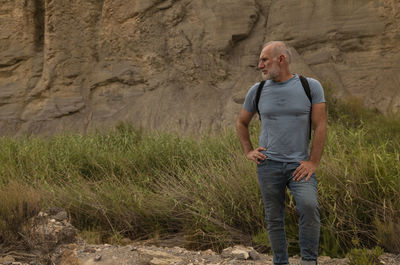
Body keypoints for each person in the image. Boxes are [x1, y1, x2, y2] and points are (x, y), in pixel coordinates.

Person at [236, 41, 327, 265]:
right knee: (274, 218)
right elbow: (241, 122)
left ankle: (308, 261)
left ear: (281, 59)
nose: (260, 65)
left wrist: (313, 162)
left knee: (309, 206)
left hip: (300, 165)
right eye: (260, 61)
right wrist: (249, 151)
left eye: (264, 59)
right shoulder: (257, 90)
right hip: (268, 164)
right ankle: (281, 262)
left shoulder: (310, 86)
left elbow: (321, 126)